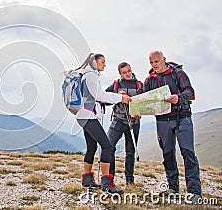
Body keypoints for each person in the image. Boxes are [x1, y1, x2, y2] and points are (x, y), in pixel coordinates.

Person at [144, 51, 201, 203]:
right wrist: (136, 108)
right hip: (162, 120)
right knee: (167, 154)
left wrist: (179, 98)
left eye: (157, 61)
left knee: (188, 153)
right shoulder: (149, 80)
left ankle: (194, 192)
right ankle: (173, 188)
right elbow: (143, 98)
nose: (154, 65)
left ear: (164, 60)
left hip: (182, 117)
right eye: (151, 62)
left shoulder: (178, 73)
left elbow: (190, 92)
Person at [75, 53, 131, 194]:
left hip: (83, 116)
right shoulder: (91, 75)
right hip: (89, 116)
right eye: (102, 62)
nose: (104, 65)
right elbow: (100, 96)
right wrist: (120, 98)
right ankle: (107, 182)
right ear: (94, 63)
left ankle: (87, 179)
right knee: (107, 146)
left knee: (91, 147)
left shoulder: (85, 74)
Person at [105, 62, 143, 185]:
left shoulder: (140, 85)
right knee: (109, 147)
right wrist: (116, 96)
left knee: (130, 151)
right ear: (120, 73)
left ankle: (129, 180)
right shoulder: (116, 84)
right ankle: (109, 179)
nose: (127, 74)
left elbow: (146, 103)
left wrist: (140, 112)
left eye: (129, 71)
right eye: (124, 72)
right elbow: (104, 98)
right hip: (118, 120)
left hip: (134, 122)